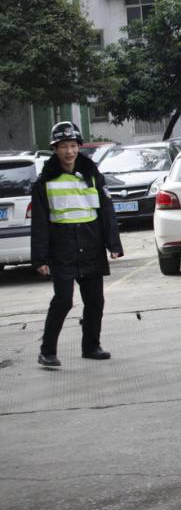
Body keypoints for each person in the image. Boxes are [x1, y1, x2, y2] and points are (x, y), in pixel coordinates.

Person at [31, 121, 124, 367]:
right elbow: (40, 222)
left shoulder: (93, 176)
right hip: (62, 249)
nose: (69, 151)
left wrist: (113, 244)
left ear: (79, 147)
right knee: (63, 301)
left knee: (95, 301)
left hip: (91, 245)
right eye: (64, 146)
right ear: (55, 149)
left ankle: (91, 346)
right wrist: (39, 258)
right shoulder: (44, 182)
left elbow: (106, 211)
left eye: (73, 145)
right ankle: (47, 351)